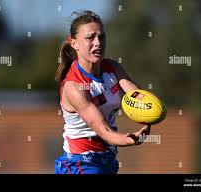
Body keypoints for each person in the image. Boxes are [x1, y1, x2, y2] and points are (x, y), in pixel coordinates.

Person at [55, 10, 151, 174]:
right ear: (74, 43)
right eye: (90, 37)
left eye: (101, 36)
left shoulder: (112, 68)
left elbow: (137, 96)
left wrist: (150, 112)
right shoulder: (74, 86)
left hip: (108, 161)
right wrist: (128, 139)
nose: (98, 42)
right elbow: (102, 129)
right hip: (80, 164)